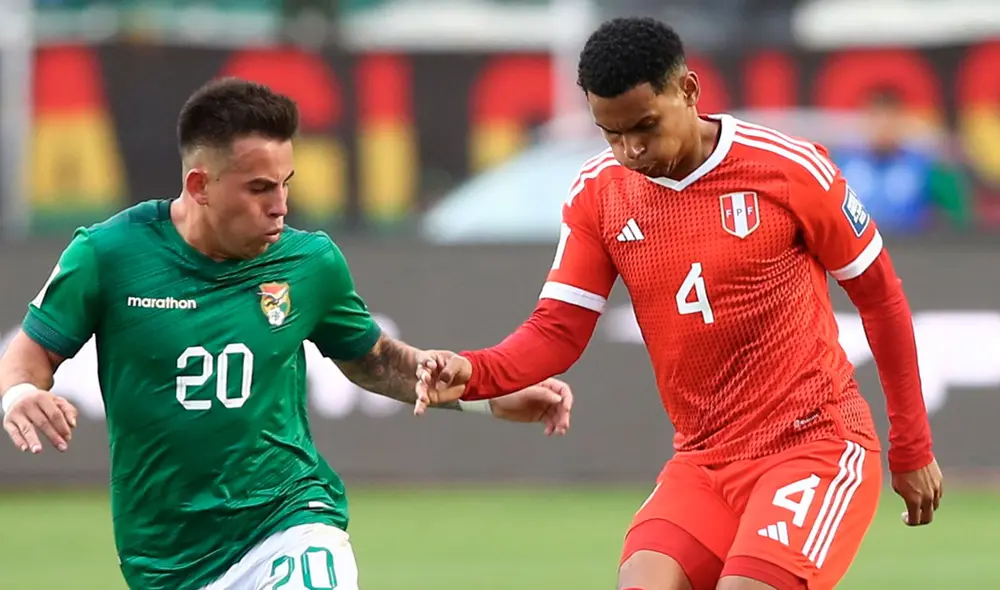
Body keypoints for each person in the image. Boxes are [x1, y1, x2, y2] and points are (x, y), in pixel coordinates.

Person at [413, 17, 943, 590]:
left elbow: (881, 299)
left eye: (645, 127)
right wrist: (476, 370)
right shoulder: (599, 193)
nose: (631, 150)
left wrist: (911, 445)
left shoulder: (789, 168)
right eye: (610, 134)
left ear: (687, 91)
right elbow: (558, 329)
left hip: (812, 444)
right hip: (703, 461)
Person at [0, 77, 573, 590]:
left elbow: (374, 361)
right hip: (163, 558)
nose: (281, 206)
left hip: (289, 519)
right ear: (200, 184)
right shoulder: (109, 254)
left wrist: (490, 397)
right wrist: (21, 393)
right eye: (259, 189)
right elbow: (32, 349)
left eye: (286, 184)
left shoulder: (309, 262)